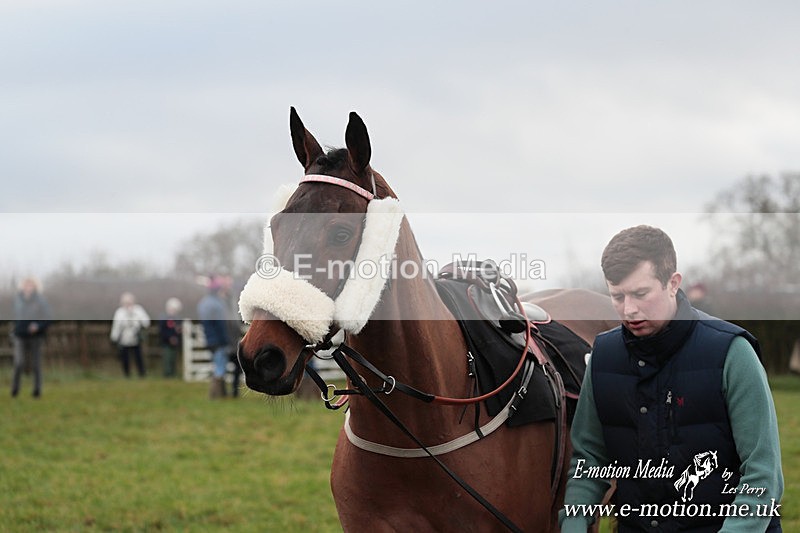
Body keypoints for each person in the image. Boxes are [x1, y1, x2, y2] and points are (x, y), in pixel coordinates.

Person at [560, 225, 783, 533]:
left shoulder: (731, 351)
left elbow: (762, 473)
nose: (629, 309)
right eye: (617, 296)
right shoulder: (603, 356)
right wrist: (573, 524)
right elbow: (589, 461)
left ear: (672, 283)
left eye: (640, 294)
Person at [11, 277, 52, 398]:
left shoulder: (41, 301)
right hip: (19, 335)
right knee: (19, 363)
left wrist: (38, 326)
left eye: (30, 285)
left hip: (35, 337)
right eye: (26, 285)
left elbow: (48, 318)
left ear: (35, 287)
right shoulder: (17, 300)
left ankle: (37, 391)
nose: (28, 287)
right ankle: (15, 389)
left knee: (36, 364)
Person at [197, 274, 236, 399]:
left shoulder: (203, 303)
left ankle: (218, 394)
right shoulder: (217, 304)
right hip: (219, 340)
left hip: (210, 340)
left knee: (217, 365)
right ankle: (215, 394)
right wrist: (227, 340)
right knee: (220, 367)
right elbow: (221, 325)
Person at [110, 292, 151, 377]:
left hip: (136, 338)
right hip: (124, 339)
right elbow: (116, 326)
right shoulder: (119, 312)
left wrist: (139, 322)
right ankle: (127, 374)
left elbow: (146, 322)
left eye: (129, 302)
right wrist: (114, 337)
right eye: (126, 302)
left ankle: (142, 374)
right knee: (125, 357)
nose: (128, 304)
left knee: (138, 357)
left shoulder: (138, 310)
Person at [158, 297, 183, 378]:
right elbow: (162, 331)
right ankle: (167, 374)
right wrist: (169, 338)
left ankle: (173, 373)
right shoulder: (163, 318)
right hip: (166, 342)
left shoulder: (177, 319)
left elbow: (178, 329)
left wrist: (177, 335)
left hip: (175, 342)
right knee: (167, 358)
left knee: (173, 358)